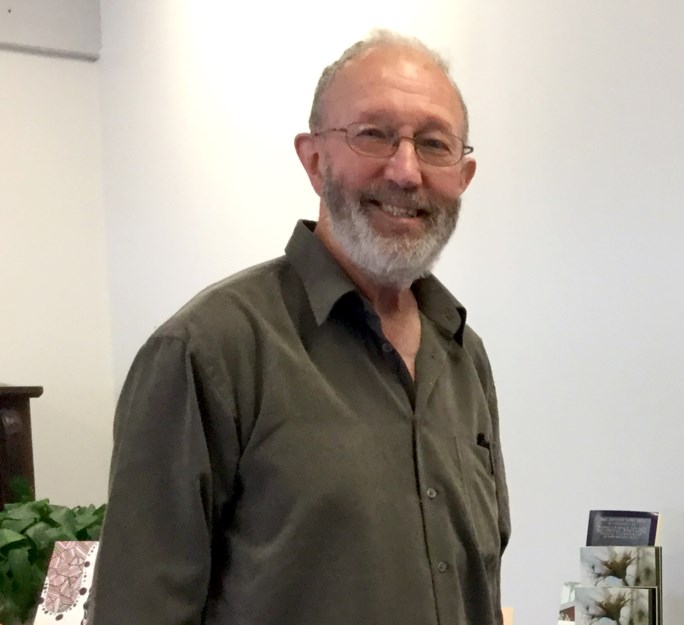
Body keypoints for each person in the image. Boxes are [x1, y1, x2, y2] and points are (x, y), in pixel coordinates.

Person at [89, 30, 510, 625]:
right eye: (374, 134)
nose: (406, 170)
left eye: (435, 144)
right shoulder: (207, 352)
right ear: (314, 160)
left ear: (463, 176)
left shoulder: (464, 356)